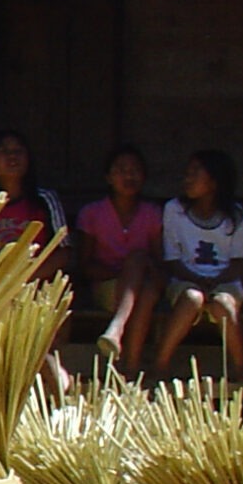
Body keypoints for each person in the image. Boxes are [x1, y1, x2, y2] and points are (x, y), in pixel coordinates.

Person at [150, 149, 243, 381]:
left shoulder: (239, 216)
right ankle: (160, 363)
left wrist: (216, 282)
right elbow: (172, 259)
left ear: (214, 182)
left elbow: (239, 262)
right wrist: (197, 280)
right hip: (185, 279)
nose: (187, 179)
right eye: (187, 173)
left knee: (223, 304)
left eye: (195, 174)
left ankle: (241, 367)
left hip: (225, 281)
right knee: (192, 299)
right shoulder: (174, 210)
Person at [0, 129, 71, 390]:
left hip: (40, 284)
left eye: (18, 151)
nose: (12, 157)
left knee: (39, 344)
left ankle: (55, 379)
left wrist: (26, 276)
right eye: (4, 151)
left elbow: (64, 251)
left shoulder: (44, 200)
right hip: (0, 288)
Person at [76, 144, 163, 368]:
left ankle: (117, 330)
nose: (129, 175)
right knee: (143, 284)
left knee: (147, 283)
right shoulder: (92, 214)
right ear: (108, 177)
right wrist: (125, 273)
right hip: (108, 286)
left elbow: (160, 263)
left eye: (135, 170)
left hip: (146, 284)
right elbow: (85, 267)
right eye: (121, 169)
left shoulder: (152, 214)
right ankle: (131, 369)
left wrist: (136, 268)